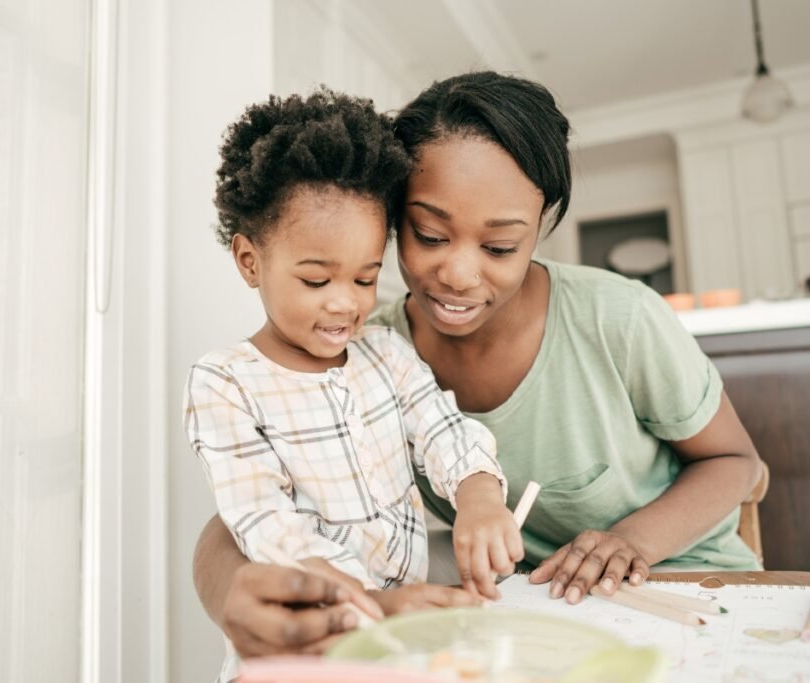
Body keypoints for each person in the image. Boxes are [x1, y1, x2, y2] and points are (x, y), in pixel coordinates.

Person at [192, 71, 764, 658]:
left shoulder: (619, 320)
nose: (459, 275)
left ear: (540, 227)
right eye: (430, 234)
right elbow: (249, 511)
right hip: (534, 606)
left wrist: (628, 541)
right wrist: (231, 591)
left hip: (684, 581)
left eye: (498, 247)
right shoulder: (362, 349)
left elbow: (736, 461)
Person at [185, 89, 522, 679]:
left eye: (366, 279)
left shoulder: (386, 355)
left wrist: (478, 495)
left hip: (402, 640)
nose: (346, 303)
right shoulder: (226, 383)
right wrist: (370, 607)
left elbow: (443, 429)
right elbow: (266, 525)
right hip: (310, 644)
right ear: (250, 262)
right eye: (317, 280)